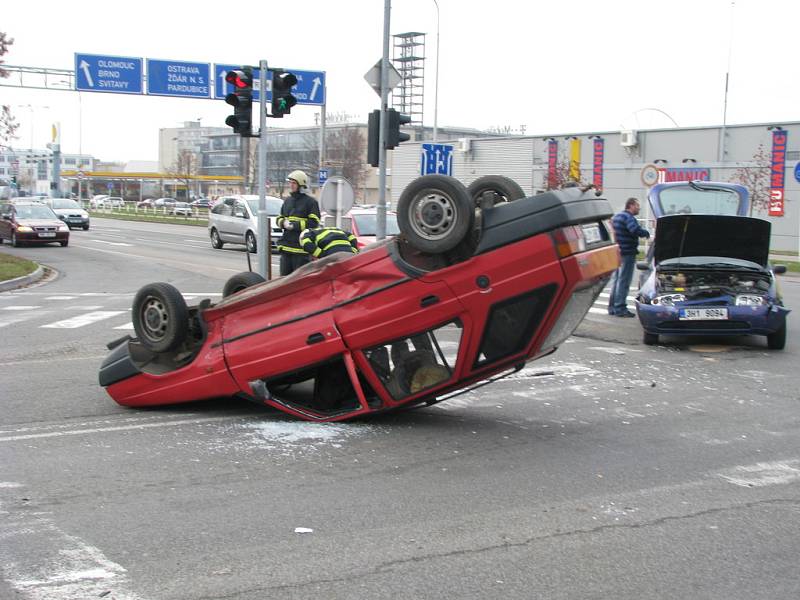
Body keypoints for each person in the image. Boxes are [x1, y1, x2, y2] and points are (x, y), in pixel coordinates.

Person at [608, 197, 650, 317]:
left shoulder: (617, 217)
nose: (639, 208)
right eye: (637, 206)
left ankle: (612, 308)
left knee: (616, 280)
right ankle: (620, 308)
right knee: (624, 280)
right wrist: (645, 233)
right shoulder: (629, 217)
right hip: (627, 253)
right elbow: (634, 229)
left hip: (617, 252)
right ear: (630, 205)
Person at [276, 170, 321, 276]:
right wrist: (283, 223)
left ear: (301, 185)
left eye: (294, 183)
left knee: (298, 281)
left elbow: (314, 223)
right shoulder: (287, 201)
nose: (291, 185)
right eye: (290, 182)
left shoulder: (311, 202)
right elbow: (279, 217)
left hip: (301, 250)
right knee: (283, 281)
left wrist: (294, 226)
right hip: (286, 247)